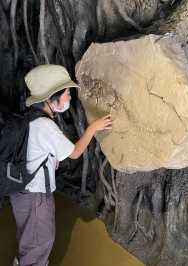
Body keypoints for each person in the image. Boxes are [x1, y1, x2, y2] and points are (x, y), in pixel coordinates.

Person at [10, 64, 112, 266]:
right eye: (66, 94)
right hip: (35, 195)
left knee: (29, 238)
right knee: (40, 241)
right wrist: (92, 128)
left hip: (21, 192)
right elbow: (74, 153)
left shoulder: (31, 117)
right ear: (50, 98)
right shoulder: (45, 125)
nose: (69, 98)